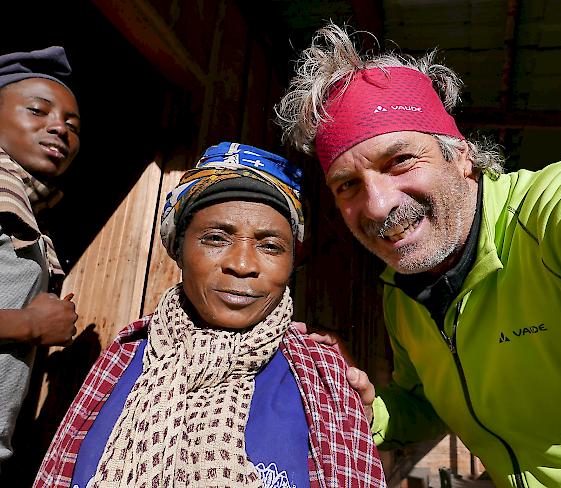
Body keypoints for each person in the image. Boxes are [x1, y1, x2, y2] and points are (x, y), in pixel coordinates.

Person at [274, 22, 561, 488]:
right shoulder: (400, 295)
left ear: (462, 156)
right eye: (348, 185)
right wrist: (365, 409)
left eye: (399, 162)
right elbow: (429, 404)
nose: (376, 205)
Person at [34, 142, 386, 488]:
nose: (243, 265)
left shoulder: (319, 374)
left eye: (270, 246)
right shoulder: (122, 361)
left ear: (292, 261)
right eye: (216, 238)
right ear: (179, 249)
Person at [0, 46, 80, 469]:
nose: (60, 129)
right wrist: (30, 324)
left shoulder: (22, 209)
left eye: (72, 124)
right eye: (38, 110)